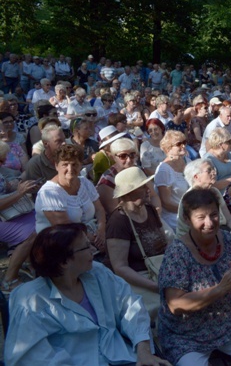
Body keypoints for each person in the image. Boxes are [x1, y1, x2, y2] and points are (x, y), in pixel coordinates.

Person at [4, 224, 170, 366]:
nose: (94, 249)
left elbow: (130, 307)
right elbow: (32, 358)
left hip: (123, 357)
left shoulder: (97, 273)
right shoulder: (30, 301)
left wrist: (143, 350)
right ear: (64, 262)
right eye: (86, 247)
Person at [157, 188, 231, 366]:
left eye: (213, 215)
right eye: (200, 217)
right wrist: (220, 289)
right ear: (187, 220)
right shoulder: (177, 252)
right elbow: (175, 305)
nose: (209, 222)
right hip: (188, 333)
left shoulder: (228, 239)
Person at [106, 167, 169, 317]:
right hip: (139, 281)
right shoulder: (118, 221)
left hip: (160, 271)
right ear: (129, 194)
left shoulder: (149, 209)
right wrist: (155, 286)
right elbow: (120, 267)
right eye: (142, 187)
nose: (148, 189)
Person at [34, 144, 107, 250]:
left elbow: (99, 209)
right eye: (65, 164)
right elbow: (63, 226)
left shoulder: (85, 182)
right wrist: (93, 240)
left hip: (91, 235)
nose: (70, 169)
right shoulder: (49, 192)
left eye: (74, 164)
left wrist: (101, 230)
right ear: (56, 166)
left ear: (81, 165)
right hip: (60, 241)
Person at [0, 142, 38, 294]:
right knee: (33, 232)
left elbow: (4, 187)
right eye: (0, 160)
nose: (3, 163)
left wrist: (18, 186)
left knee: (42, 218)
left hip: (8, 214)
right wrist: (19, 193)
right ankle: (9, 279)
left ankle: (29, 261)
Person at [175, 159, 231, 237]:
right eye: (209, 170)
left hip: (222, 231)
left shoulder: (214, 191)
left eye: (213, 169)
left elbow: (229, 218)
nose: (214, 172)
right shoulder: (190, 198)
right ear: (196, 177)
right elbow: (199, 230)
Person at [154, 130, 190, 231]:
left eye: (184, 142)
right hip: (175, 217)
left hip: (192, 210)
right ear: (168, 148)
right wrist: (189, 211)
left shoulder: (187, 161)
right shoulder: (164, 170)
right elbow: (166, 203)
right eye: (179, 144)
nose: (183, 146)